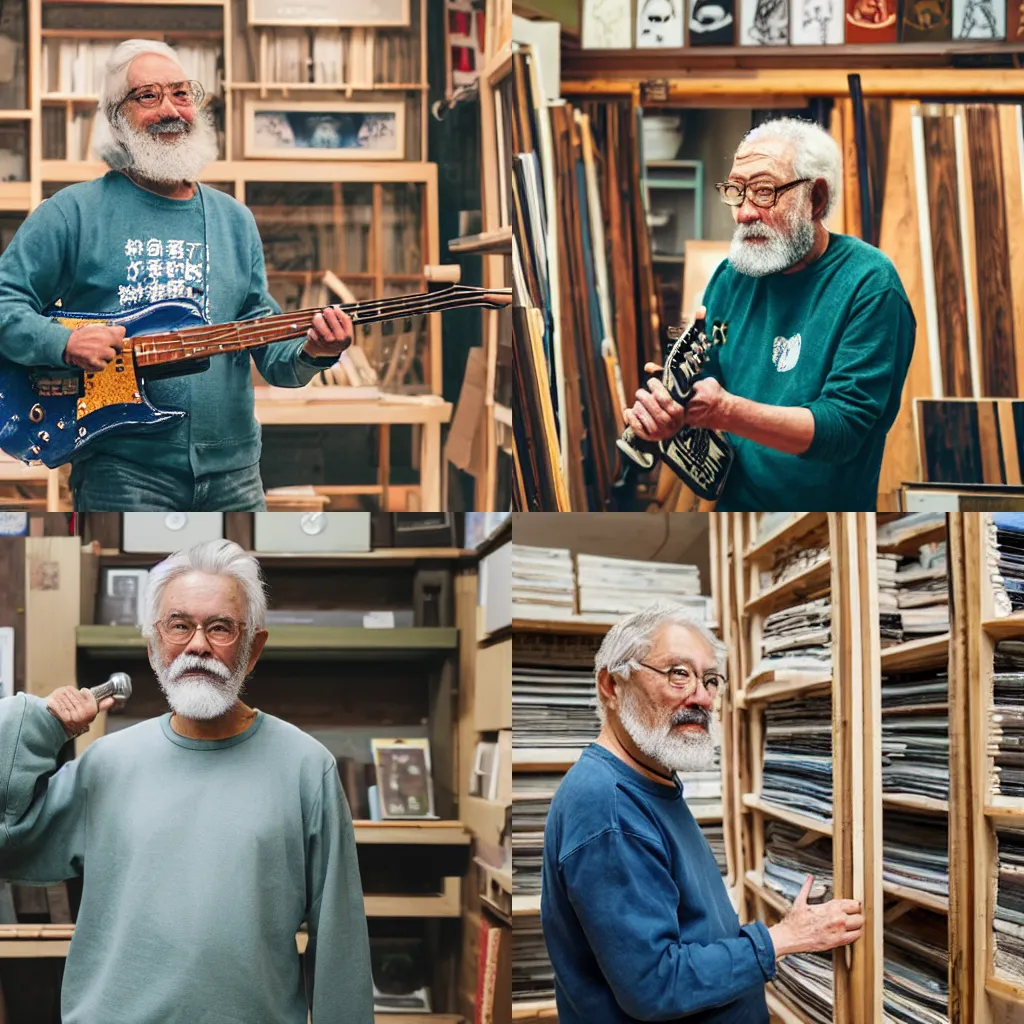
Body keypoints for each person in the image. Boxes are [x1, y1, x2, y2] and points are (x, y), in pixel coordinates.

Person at [0, 539, 374, 1024]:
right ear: (155, 644)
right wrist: (37, 725)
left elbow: (340, 943)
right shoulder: (107, 764)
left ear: (253, 648)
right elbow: (9, 845)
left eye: (220, 627)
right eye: (179, 625)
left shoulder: (307, 768)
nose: (198, 644)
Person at [0, 39, 353, 512]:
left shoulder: (234, 219)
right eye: (149, 95)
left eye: (182, 94)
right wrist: (61, 344)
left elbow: (267, 349)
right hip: (120, 475)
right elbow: (5, 301)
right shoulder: (72, 212)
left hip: (236, 475)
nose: (170, 109)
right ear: (116, 117)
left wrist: (314, 352)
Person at [542, 603, 863, 1023]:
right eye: (679, 673)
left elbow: (684, 936)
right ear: (612, 685)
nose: (701, 697)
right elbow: (655, 985)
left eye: (710, 680)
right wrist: (783, 938)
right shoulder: (609, 806)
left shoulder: (652, 781)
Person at [623, 117, 916, 512]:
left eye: (763, 192)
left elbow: (842, 430)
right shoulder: (730, 278)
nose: (744, 212)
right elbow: (706, 386)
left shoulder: (870, 284)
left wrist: (726, 411)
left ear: (815, 199)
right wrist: (674, 416)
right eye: (735, 191)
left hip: (820, 524)